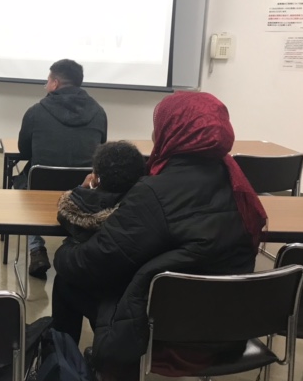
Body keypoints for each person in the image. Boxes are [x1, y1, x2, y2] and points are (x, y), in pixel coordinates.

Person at [51, 91, 266, 381]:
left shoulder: (153, 192)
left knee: (68, 280)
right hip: (229, 329)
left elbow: (93, 263)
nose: (154, 133)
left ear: (171, 131)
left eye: (158, 125)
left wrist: (65, 250)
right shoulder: (239, 184)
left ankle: (67, 365)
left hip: (168, 336)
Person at [15, 59, 107, 278]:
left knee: (21, 185)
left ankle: (36, 249)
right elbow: (100, 149)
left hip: (41, 188)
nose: (46, 85)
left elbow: (24, 151)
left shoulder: (35, 111)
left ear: (55, 83)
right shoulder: (99, 112)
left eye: (47, 80)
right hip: (83, 191)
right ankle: (74, 240)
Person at [57, 141, 145, 244]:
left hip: (82, 249)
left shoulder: (82, 208)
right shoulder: (140, 208)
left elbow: (64, 214)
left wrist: (82, 188)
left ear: (96, 178)